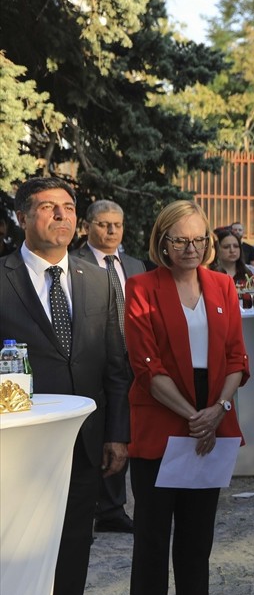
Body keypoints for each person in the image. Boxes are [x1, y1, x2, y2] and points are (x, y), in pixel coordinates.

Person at [1, 177, 129, 595]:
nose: (62, 216)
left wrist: (116, 433)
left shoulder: (95, 279)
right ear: (21, 218)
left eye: (69, 208)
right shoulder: (3, 277)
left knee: (74, 547)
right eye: (49, 208)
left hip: (82, 444)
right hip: (18, 444)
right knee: (14, 547)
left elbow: (116, 365)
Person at [125, 199, 250, 595]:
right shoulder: (141, 288)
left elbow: (238, 357)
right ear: (162, 241)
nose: (191, 248)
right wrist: (192, 414)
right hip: (162, 412)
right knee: (155, 527)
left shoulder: (222, 285)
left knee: (199, 524)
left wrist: (216, 410)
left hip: (214, 410)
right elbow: (145, 365)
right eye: (180, 240)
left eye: (199, 239)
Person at [72, 198, 145, 534]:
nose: (112, 230)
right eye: (104, 224)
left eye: (117, 224)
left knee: (123, 428)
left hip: (132, 358)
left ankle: (114, 508)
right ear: (87, 226)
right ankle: (88, 507)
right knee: (96, 431)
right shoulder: (75, 263)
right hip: (92, 358)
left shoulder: (135, 265)